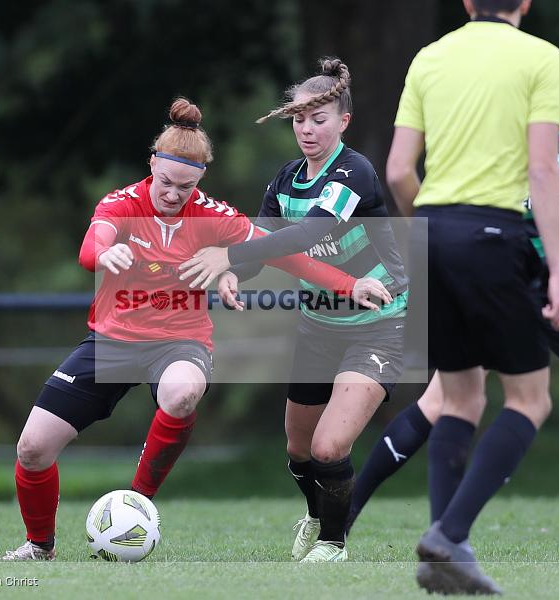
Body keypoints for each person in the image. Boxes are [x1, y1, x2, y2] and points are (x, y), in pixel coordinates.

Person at [1, 97, 390, 561]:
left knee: (183, 391)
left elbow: (286, 255)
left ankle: (138, 503)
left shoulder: (213, 216)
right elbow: (92, 245)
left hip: (179, 343)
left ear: (199, 179)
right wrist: (103, 255)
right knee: (32, 448)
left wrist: (350, 284)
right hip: (111, 339)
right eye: (165, 182)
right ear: (152, 165)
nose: (171, 194)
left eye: (184, 186)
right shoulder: (122, 203)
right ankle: (39, 545)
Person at [347, 120, 559, 542]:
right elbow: (424, 189)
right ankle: (345, 513)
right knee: (443, 402)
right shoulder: (486, 135)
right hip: (499, 279)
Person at [178, 58, 409, 562]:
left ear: (342, 122)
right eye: (300, 120)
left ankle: (333, 543)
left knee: (329, 448)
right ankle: (317, 513)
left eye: (319, 119)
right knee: (299, 452)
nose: (307, 129)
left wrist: (230, 255)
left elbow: (310, 233)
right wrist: (236, 271)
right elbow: (267, 247)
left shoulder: (355, 171)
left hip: (379, 326)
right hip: (318, 327)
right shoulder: (285, 178)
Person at [384, 0, 559, 593]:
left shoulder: (430, 56)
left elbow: (396, 172)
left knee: (461, 398)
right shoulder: (542, 58)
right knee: (530, 398)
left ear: (467, 3)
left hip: (430, 230)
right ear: (524, 3)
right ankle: (449, 534)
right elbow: (543, 172)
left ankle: (445, 554)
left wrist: (431, 233)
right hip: (491, 235)